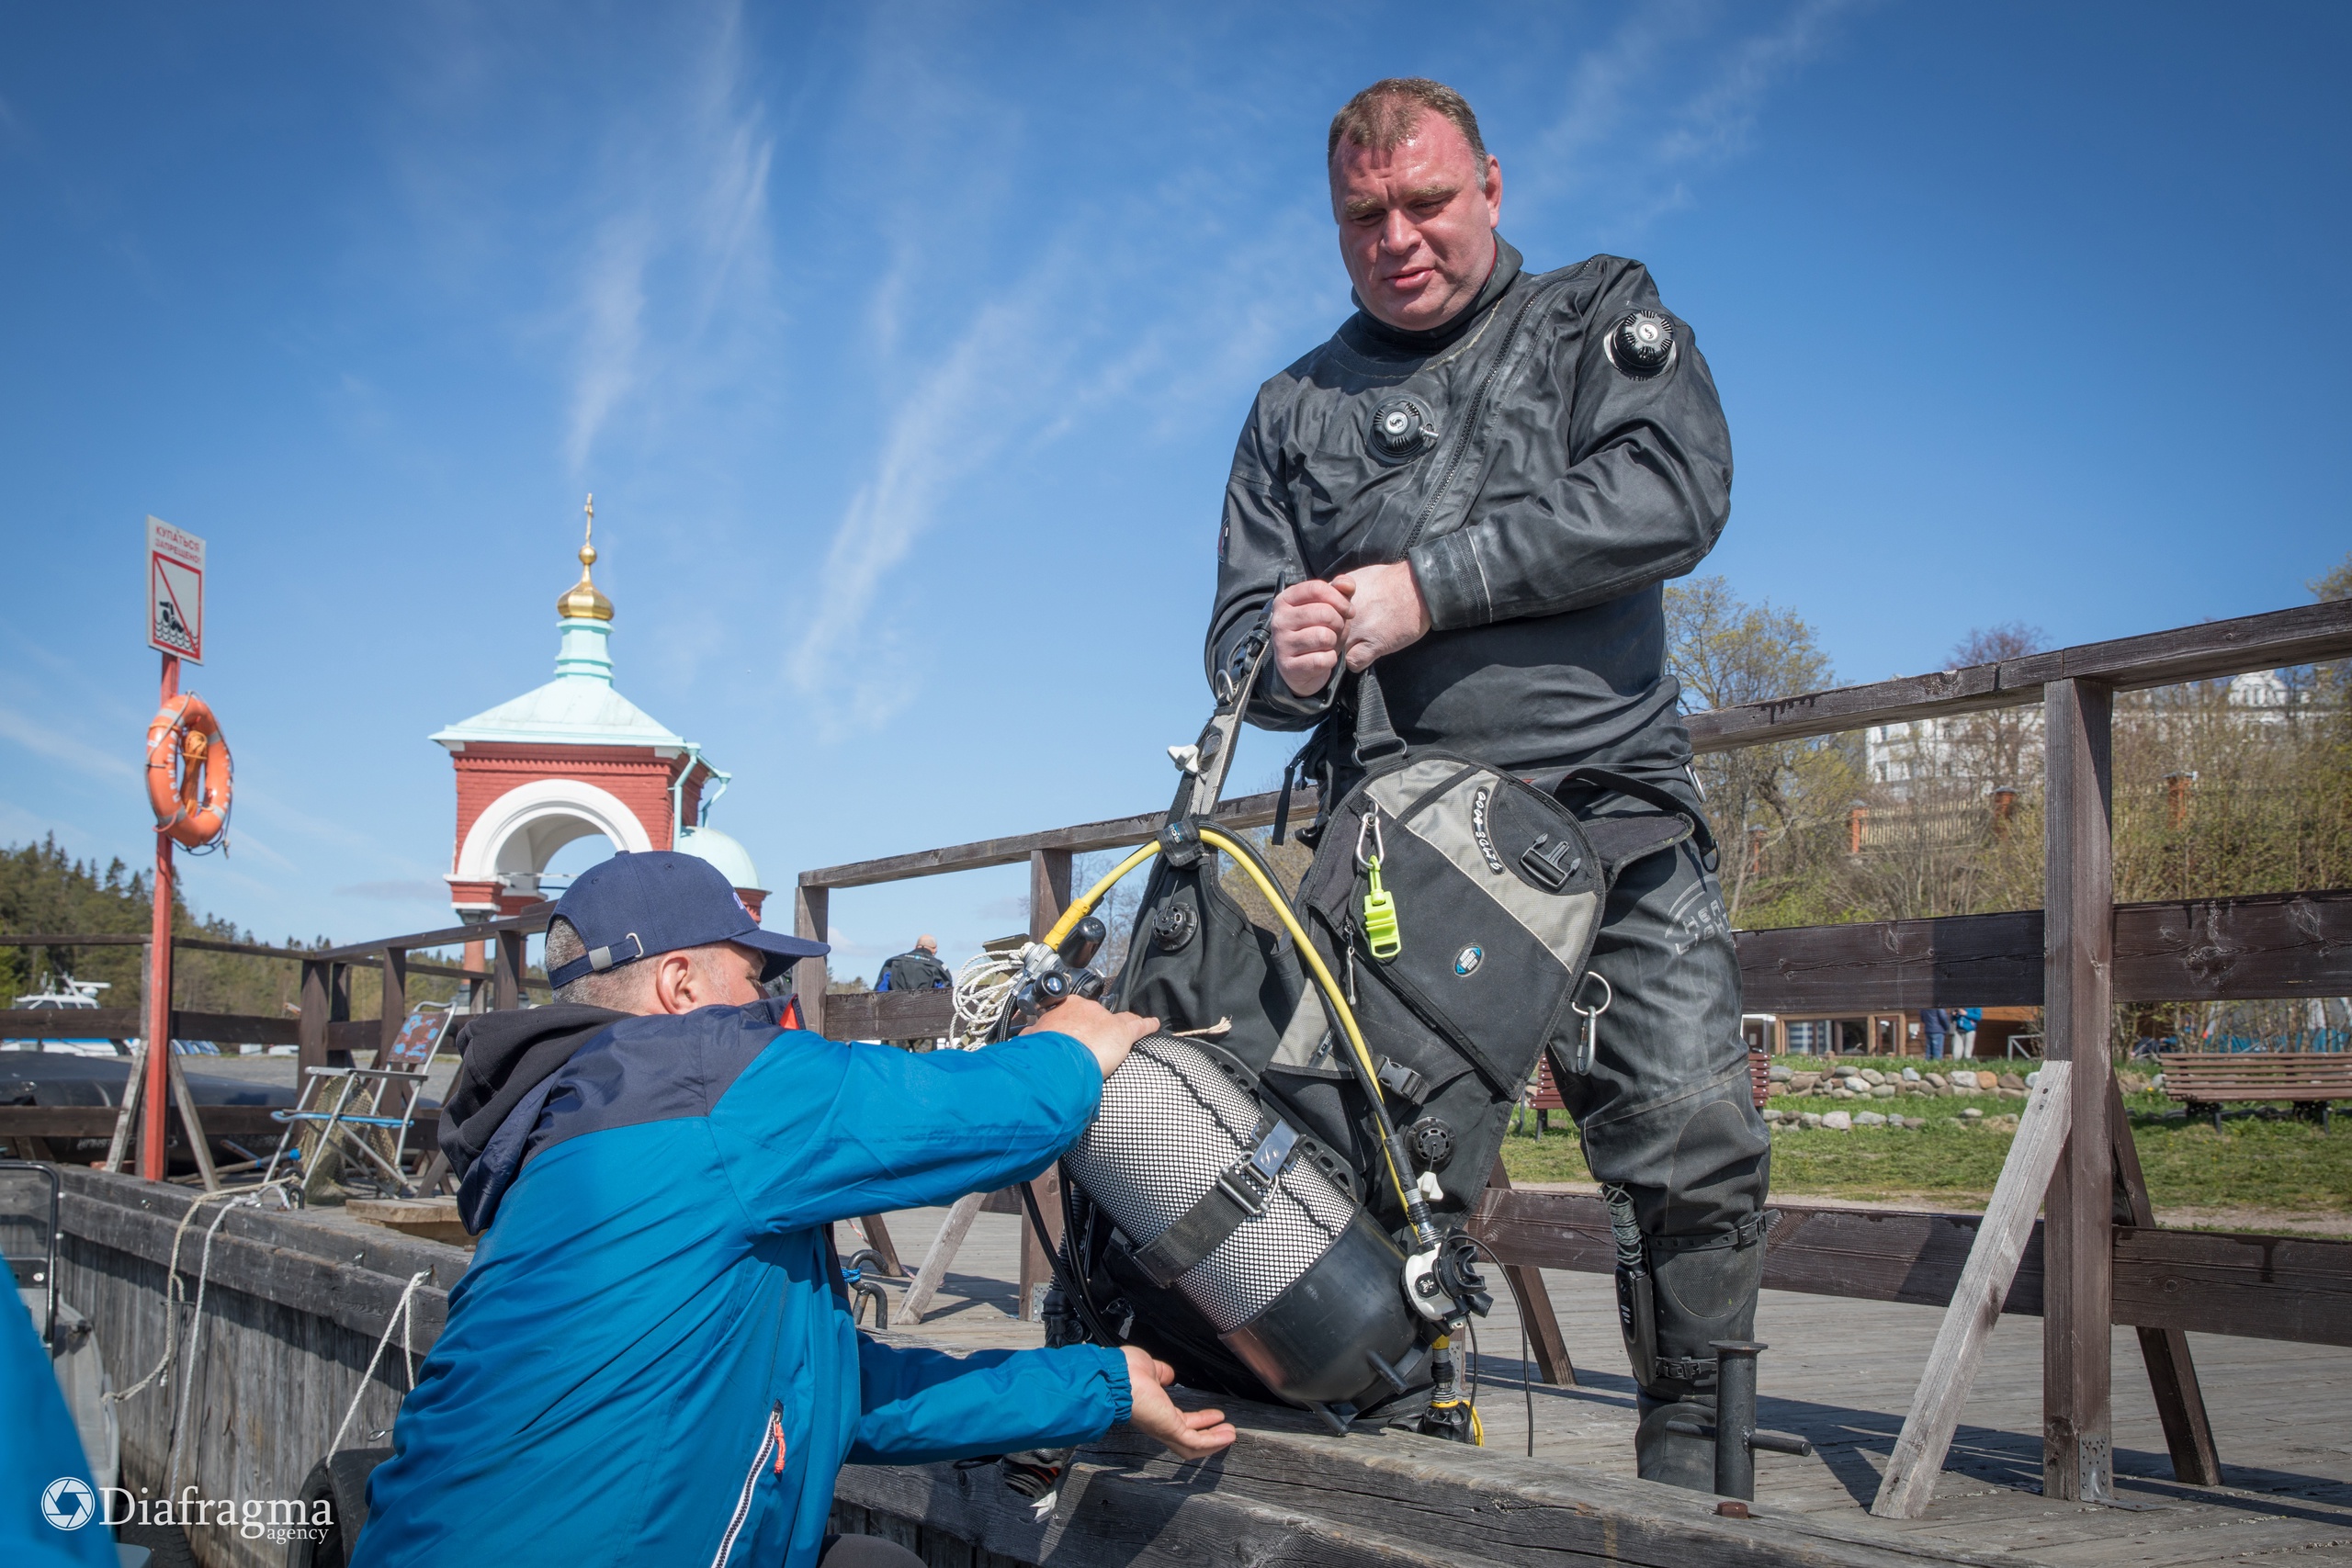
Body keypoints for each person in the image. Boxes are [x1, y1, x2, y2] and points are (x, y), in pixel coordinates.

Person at [1204, 77, 1761, 1488]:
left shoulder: (1595, 316)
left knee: (1692, 1145)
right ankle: (1373, 1476)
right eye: (1363, 216)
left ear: (1493, 189)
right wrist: (1294, 656)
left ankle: (1701, 1479)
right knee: (1353, 1182)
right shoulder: (1290, 409)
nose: (1397, 236)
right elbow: (1236, 655)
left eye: (1427, 203)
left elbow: (1674, 491)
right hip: (1395, 853)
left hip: (1615, 815)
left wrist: (1424, 589)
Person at [355, 852, 1232, 1568]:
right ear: (679, 986)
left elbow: (828, 1391)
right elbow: (968, 1114)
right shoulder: (695, 1081)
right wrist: (1076, 1048)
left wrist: (1099, 1384)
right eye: (757, 973)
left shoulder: (580, 1128)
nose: (776, 1002)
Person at [876, 934, 953, 1052]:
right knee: (923, 1062)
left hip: (894, 1025)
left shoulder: (892, 963)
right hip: (925, 1026)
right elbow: (945, 1000)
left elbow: (879, 993)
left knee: (895, 1062)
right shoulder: (938, 967)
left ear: (915, 946)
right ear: (935, 949)